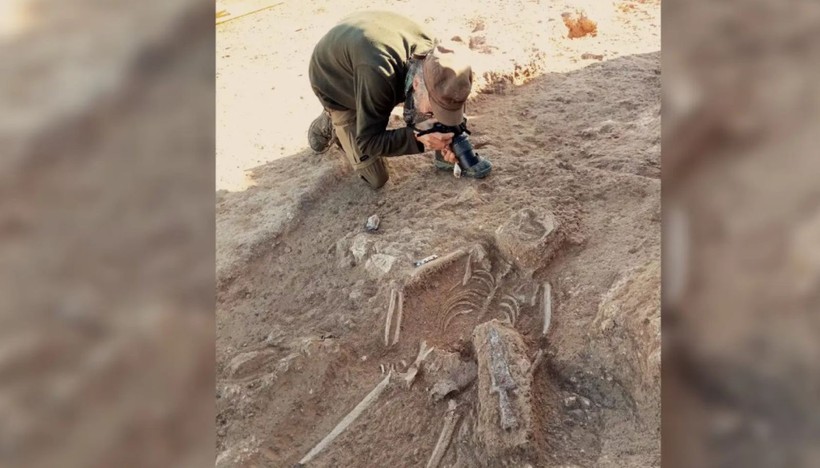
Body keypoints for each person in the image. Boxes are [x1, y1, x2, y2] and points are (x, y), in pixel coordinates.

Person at [307, 11, 492, 189]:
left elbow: (449, 97)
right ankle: (331, 119)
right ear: (417, 83)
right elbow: (368, 141)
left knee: (425, 107)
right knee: (376, 177)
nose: (436, 116)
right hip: (335, 81)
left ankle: (415, 113)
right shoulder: (379, 75)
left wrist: (451, 136)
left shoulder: (440, 59)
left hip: (367, 41)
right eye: (434, 108)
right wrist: (419, 138)